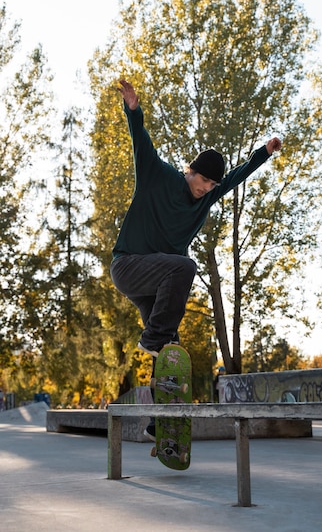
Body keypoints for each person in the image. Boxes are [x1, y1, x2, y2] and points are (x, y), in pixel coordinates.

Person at [110, 79, 282, 440]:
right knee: (185, 267)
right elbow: (140, 141)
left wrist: (263, 153)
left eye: (210, 186)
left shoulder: (208, 195)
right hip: (128, 266)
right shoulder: (159, 176)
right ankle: (153, 339)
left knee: (171, 353)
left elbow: (236, 177)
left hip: (156, 283)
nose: (205, 189)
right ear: (191, 170)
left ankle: (160, 421)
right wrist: (133, 108)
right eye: (202, 181)